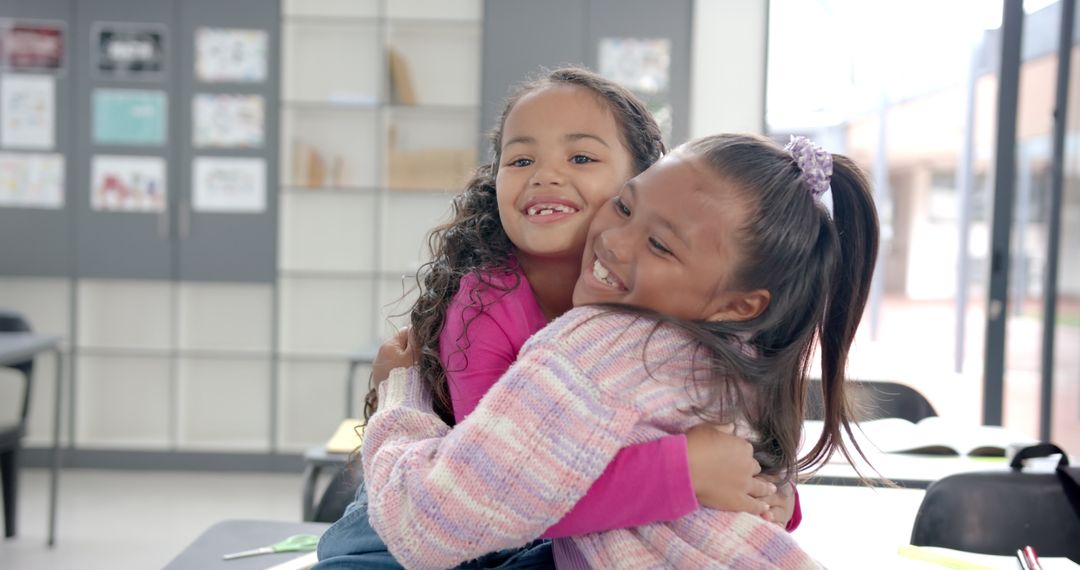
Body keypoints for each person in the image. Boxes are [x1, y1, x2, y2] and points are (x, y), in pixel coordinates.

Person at [316, 69, 796, 569]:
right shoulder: (485, 302)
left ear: (641, 179)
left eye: (582, 157)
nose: (545, 175)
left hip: (556, 533)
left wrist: (770, 492)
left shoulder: (675, 308)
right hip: (454, 511)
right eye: (520, 159)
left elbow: (742, 440)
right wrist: (683, 473)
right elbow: (504, 487)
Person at [362, 133, 879, 569]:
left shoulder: (600, 343)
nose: (614, 239)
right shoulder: (740, 351)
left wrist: (401, 392)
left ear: (741, 303)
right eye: (626, 206)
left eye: (660, 246)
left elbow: (431, 520)